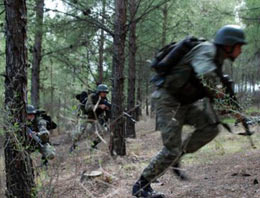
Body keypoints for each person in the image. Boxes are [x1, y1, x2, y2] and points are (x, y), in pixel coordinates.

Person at [132, 25, 247, 198]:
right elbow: (206, 76)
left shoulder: (218, 58)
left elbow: (209, 89)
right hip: (168, 100)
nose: (241, 51)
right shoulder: (207, 50)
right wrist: (226, 102)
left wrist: (228, 108)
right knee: (171, 149)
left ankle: (178, 155)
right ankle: (141, 187)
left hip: (185, 103)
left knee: (210, 127)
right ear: (229, 45)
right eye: (239, 46)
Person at [70, 84, 111, 152]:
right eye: (103, 92)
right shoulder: (92, 97)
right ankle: (73, 145)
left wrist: (106, 117)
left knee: (104, 130)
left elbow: (108, 113)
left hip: (96, 118)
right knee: (79, 132)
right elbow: (87, 107)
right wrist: (99, 106)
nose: (104, 94)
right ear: (99, 92)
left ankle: (93, 145)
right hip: (86, 117)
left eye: (106, 92)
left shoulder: (105, 100)